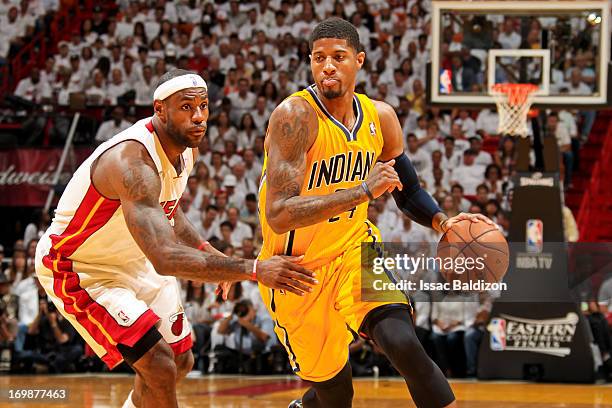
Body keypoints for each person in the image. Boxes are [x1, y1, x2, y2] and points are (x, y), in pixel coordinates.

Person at [35, 69, 316, 408]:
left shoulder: (185, 149)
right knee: (158, 366)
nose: (198, 117)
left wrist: (204, 249)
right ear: (160, 109)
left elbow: (169, 208)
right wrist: (253, 269)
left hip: (135, 259)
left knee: (181, 362)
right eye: (186, 107)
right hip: (81, 267)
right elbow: (165, 258)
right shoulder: (131, 163)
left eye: (203, 106)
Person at [259, 19, 492, 408]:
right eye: (319, 59)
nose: (327, 67)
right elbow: (279, 214)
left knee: (403, 344)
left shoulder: (379, 117)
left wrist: (442, 221)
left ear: (359, 61)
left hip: (353, 251)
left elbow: (409, 190)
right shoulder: (295, 117)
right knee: (336, 394)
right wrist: (362, 191)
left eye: (338, 57)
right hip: (295, 270)